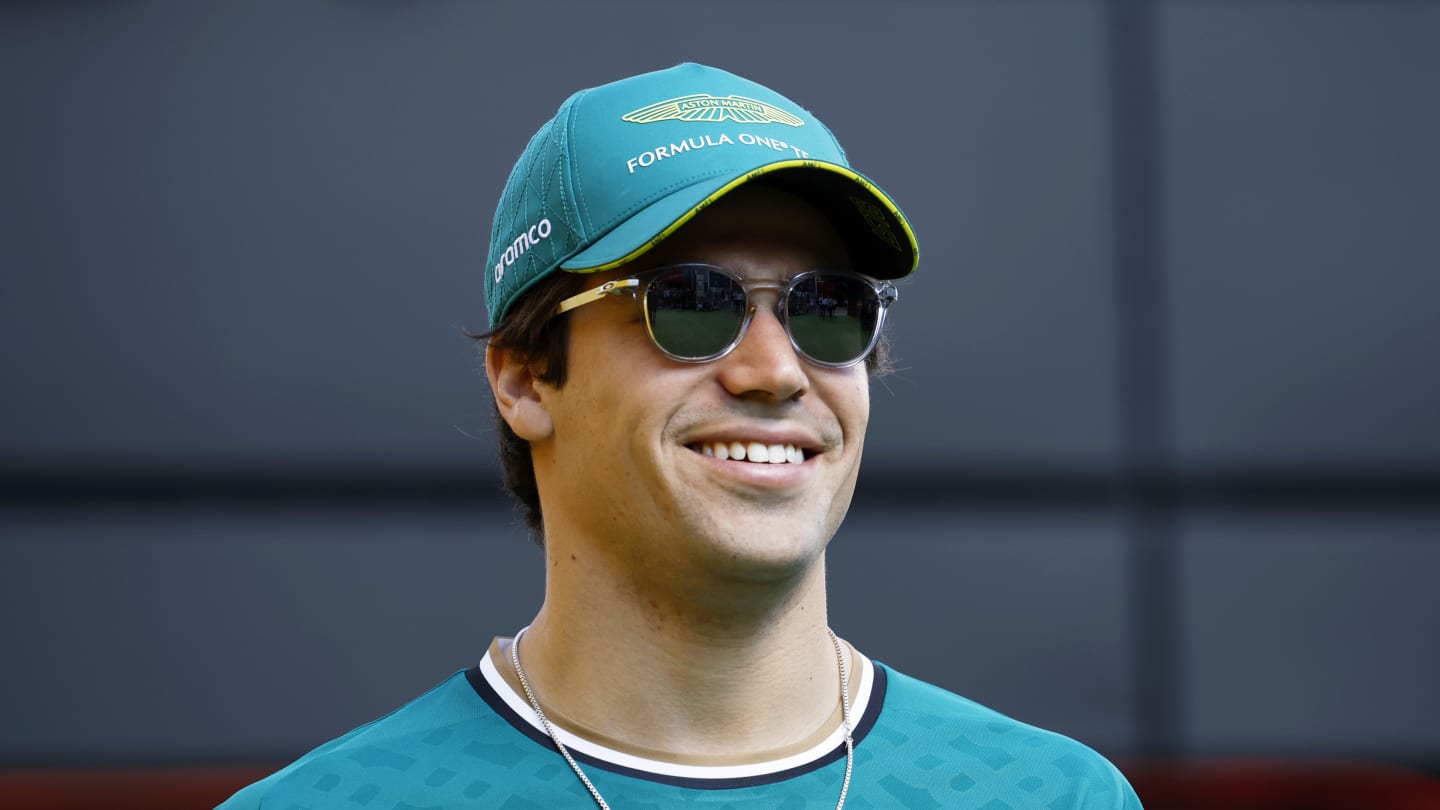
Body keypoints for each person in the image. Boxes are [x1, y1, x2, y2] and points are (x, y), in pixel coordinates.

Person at [220, 62, 1142, 809]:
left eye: (829, 308)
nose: (776, 371)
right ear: (525, 376)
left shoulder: (1051, 798)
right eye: (692, 303)